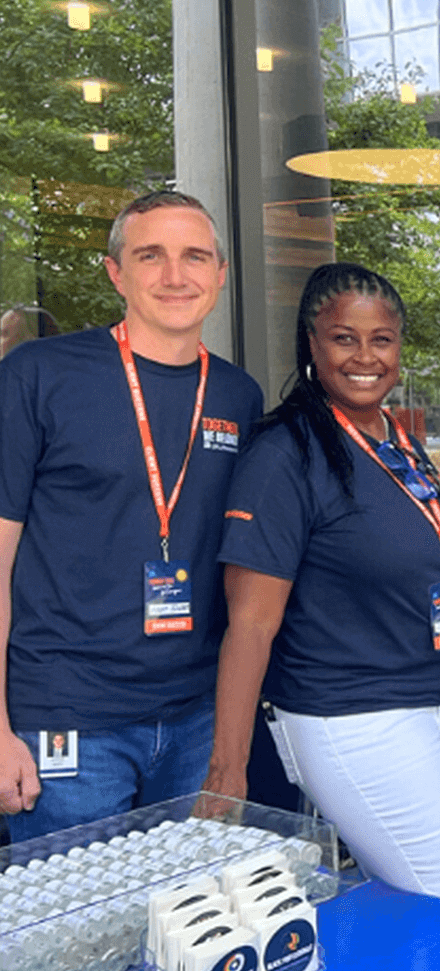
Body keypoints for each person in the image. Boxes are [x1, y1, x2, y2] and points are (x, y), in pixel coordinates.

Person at [203, 262, 440, 907]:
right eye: (344, 338)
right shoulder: (286, 455)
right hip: (352, 718)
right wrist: (229, 765)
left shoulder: (398, 443)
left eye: (381, 340)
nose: (365, 357)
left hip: (436, 703)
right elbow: (250, 622)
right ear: (311, 343)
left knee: (411, 908)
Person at [0, 190, 262, 839]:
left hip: (193, 715)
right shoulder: (39, 375)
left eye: (195, 256)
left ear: (220, 275)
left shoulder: (237, 393)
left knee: (185, 924)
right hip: (66, 718)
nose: (176, 276)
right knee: (74, 935)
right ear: (116, 271)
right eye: (152, 256)